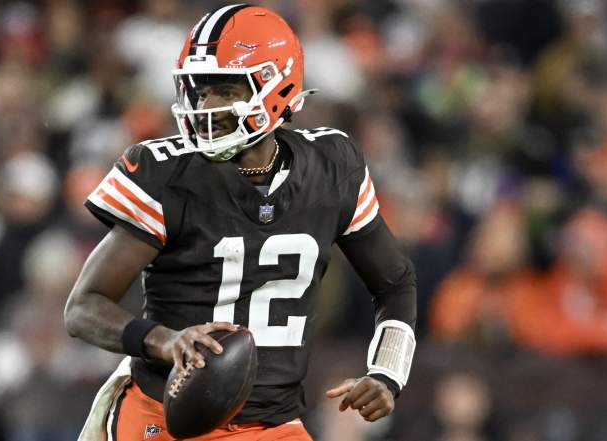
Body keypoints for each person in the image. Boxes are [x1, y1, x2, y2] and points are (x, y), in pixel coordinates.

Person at [64, 4, 417, 440]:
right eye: (200, 90)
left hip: (272, 423)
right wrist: (164, 340)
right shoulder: (168, 174)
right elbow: (83, 307)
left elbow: (395, 283)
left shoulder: (332, 168)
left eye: (226, 90)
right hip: (162, 412)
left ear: (277, 87)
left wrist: (387, 372)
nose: (206, 106)